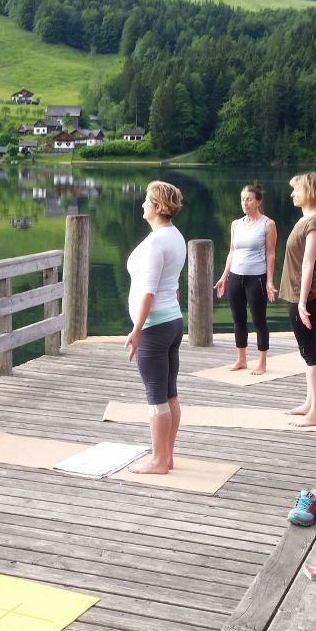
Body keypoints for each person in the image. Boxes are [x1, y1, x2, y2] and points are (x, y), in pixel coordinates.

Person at [124, 180, 187, 475]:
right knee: (169, 392)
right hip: (172, 321)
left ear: (159, 207)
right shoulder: (175, 236)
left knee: (155, 396)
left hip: (155, 326)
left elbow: (148, 291)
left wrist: (137, 330)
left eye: (147, 200)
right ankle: (167, 457)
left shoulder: (156, 242)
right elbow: (171, 287)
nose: (143, 204)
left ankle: (159, 460)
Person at [279, 172, 316, 427]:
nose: (292, 194)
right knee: (306, 352)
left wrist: (301, 303)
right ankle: (309, 403)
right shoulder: (306, 220)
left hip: (306, 298)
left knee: (311, 354)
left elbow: (308, 265)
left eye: (296, 190)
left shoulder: (315, 223)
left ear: (308, 192)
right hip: (299, 296)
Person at [214, 182, 278, 374]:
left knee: (259, 320)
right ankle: (241, 359)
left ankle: (262, 362)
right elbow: (232, 252)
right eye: (242, 199)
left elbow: (271, 254)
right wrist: (224, 277)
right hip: (235, 276)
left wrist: (269, 281)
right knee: (238, 319)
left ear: (258, 201)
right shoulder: (236, 224)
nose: (245, 203)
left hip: (256, 278)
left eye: (249, 199)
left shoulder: (268, 224)